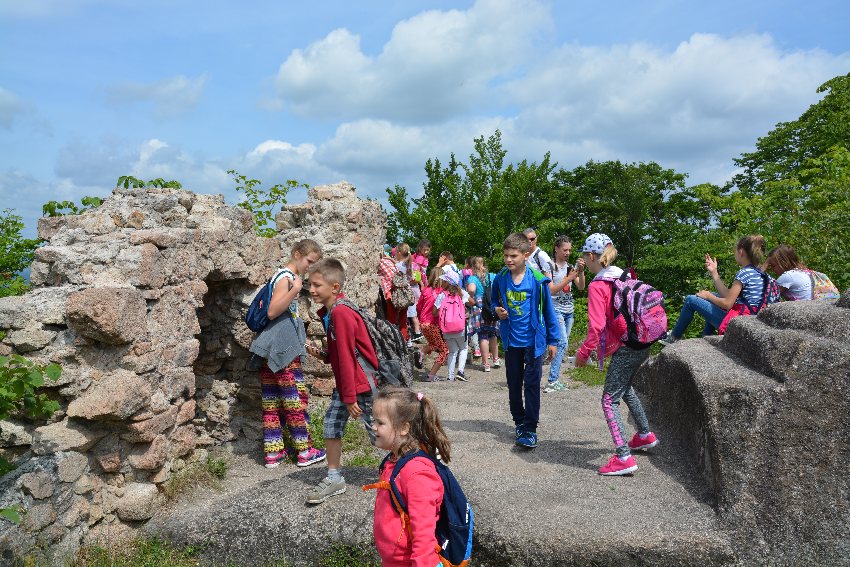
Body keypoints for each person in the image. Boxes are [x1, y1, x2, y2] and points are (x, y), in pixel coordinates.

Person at [575, 233, 659, 476]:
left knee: (608, 399)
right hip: (642, 341)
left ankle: (623, 457)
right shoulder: (624, 276)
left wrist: (583, 353)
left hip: (625, 347)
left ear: (591, 257)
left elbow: (596, 327)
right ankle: (644, 435)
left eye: (584, 257)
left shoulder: (598, 285)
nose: (584, 261)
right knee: (626, 388)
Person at [304, 258, 378, 504]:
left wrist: (349, 397)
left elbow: (348, 357)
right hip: (350, 383)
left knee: (379, 433)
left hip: (362, 384)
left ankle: (413, 467)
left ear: (335, 287)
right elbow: (341, 353)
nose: (311, 290)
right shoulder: (332, 312)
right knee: (331, 425)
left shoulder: (341, 313)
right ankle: (334, 477)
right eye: (310, 285)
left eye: (317, 285)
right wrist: (325, 356)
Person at [248, 238, 326, 469]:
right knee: (295, 400)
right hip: (282, 351)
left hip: (273, 349)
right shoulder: (286, 278)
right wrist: (295, 290)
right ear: (297, 254)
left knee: (272, 400)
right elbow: (273, 311)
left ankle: (273, 453)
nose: (310, 267)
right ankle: (304, 451)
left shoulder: (285, 277)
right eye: (309, 261)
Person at [367, 387, 450, 567]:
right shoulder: (394, 460)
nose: (373, 427)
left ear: (404, 428)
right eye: (373, 421)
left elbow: (424, 536)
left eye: (380, 423)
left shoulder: (417, 474)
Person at [491, 232, 560, 448]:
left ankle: (530, 429)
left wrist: (553, 340)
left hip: (533, 343)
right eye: (506, 255)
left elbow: (549, 311)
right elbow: (492, 301)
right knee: (514, 384)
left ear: (526, 255)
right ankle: (519, 421)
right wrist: (496, 310)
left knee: (531, 385)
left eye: (513, 256)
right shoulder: (501, 278)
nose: (508, 260)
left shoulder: (538, 281)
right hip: (511, 342)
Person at [661, 235, 775, 343]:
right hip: (753, 323)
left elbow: (727, 303)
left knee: (691, 300)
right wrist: (714, 272)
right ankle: (707, 338)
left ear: (741, 252)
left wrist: (708, 296)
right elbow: (728, 295)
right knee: (713, 296)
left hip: (739, 324)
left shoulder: (745, 273)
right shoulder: (763, 275)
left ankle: (674, 337)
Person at [545, 236, 586, 392]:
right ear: (556, 249)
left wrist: (581, 272)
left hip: (569, 310)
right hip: (555, 309)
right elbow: (550, 290)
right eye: (565, 250)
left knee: (563, 344)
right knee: (561, 342)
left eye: (569, 250)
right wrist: (568, 278)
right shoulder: (549, 266)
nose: (568, 253)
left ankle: (549, 364)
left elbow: (581, 287)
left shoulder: (570, 267)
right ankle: (552, 380)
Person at [434, 270, 471, 382]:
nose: (443, 282)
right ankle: (460, 372)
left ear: (448, 282)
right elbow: (472, 302)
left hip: (446, 328)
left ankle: (450, 376)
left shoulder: (442, 295)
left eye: (444, 280)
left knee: (452, 351)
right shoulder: (461, 294)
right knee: (464, 348)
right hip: (460, 327)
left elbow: (434, 313)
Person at [416, 267, 449, 382]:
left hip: (423, 323)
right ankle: (431, 375)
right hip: (433, 324)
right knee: (445, 351)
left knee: (434, 344)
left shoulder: (426, 290)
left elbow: (418, 307)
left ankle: (422, 352)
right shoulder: (442, 292)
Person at [378, 246, 409, 340]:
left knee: (391, 319)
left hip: (393, 295)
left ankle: (392, 340)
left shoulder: (383, 262)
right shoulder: (400, 263)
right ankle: (405, 341)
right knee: (403, 320)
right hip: (405, 295)